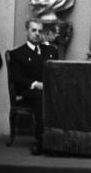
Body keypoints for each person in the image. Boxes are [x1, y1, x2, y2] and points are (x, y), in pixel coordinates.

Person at [9, 19, 58, 154]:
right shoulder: (17, 53)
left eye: (40, 31)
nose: (37, 34)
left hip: (49, 90)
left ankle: (60, 141)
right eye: (34, 30)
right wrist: (35, 84)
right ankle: (41, 140)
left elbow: (57, 72)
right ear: (27, 31)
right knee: (40, 96)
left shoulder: (51, 51)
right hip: (29, 92)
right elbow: (16, 78)